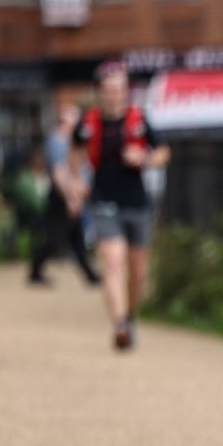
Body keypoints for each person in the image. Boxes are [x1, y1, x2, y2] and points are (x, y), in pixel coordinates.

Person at [72, 62, 169, 350]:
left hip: (136, 200)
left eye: (118, 89)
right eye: (108, 89)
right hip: (103, 199)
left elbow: (163, 152)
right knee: (113, 263)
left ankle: (130, 314)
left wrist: (145, 159)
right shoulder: (87, 122)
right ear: (99, 92)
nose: (113, 95)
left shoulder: (139, 120)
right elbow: (74, 149)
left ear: (125, 92)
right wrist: (77, 180)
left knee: (138, 272)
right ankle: (120, 324)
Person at [31, 102, 98, 288]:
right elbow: (59, 173)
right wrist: (71, 198)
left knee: (76, 238)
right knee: (55, 238)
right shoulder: (57, 142)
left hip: (70, 196)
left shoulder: (69, 142)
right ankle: (35, 270)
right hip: (61, 198)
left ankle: (90, 274)